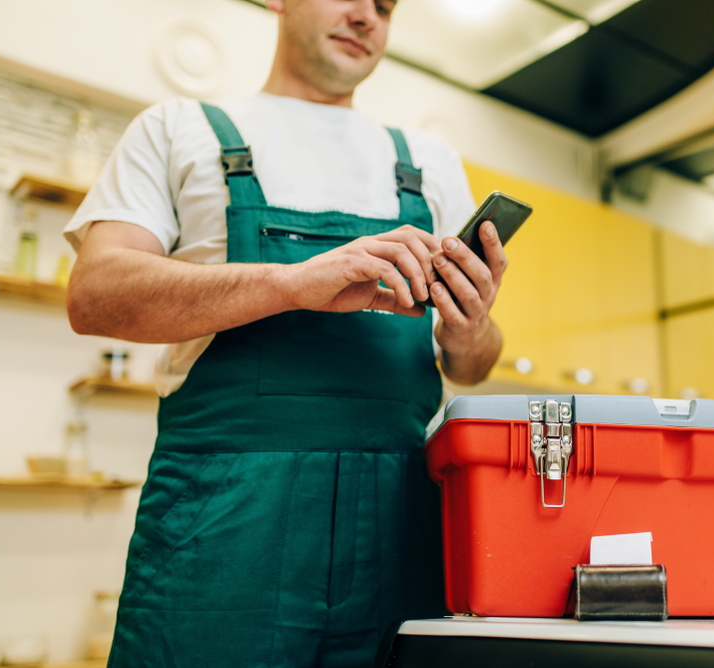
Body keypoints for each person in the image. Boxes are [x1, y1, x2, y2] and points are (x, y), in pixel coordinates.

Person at [63, 0, 507, 665]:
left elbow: (471, 366)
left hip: (400, 527)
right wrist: (291, 283)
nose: (366, 16)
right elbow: (95, 296)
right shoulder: (181, 128)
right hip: (224, 530)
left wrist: (471, 327)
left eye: (386, 6)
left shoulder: (431, 161)